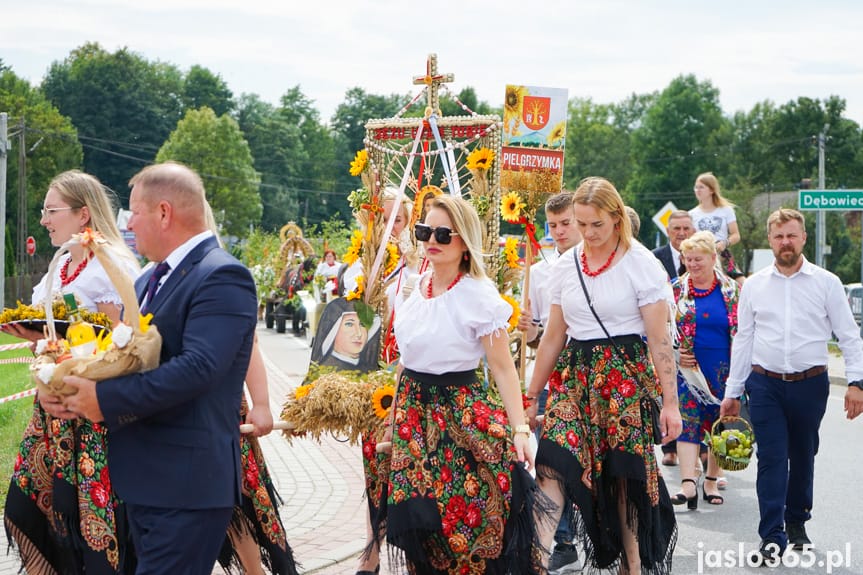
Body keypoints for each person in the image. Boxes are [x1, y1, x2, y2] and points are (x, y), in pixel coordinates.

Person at [61, 162, 259, 575]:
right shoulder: (150, 278)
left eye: (135, 211)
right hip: (149, 479)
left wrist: (104, 399)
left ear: (164, 213)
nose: (128, 223)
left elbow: (199, 367)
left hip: (187, 485)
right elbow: (128, 357)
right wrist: (71, 384)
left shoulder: (222, 275)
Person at [378, 195, 545, 574]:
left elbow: (502, 369)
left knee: (464, 521)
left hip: (459, 415)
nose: (431, 240)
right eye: (424, 231)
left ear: (465, 242)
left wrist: (520, 429)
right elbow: (406, 362)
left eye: (442, 233)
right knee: (419, 521)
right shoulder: (413, 289)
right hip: (412, 418)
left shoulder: (478, 296)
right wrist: (392, 417)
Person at [525, 177, 681, 575]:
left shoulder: (641, 263)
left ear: (615, 218)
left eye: (596, 224)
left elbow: (660, 342)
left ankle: (632, 565)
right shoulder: (565, 265)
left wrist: (670, 403)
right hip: (574, 378)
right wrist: (531, 394)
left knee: (623, 479)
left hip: (623, 379)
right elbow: (554, 337)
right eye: (581, 224)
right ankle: (535, 561)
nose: (588, 234)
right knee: (553, 465)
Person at [2, 170, 141, 575]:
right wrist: (39, 341)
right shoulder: (58, 270)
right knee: (23, 512)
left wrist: (64, 353)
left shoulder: (111, 269)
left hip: (91, 417)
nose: (43, 219)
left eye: (51, 210)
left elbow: (120, 346)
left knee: (91, 531)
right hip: (50, 412)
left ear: (83, 215)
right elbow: (54, 338)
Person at [720, 208, 863, 564]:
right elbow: (744, 338)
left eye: (792, 235)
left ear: (803, 237)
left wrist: (856, 383)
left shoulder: (826, 283)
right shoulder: (753, 285)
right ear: (770, 240)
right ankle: (771, 535)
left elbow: (849, 336)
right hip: (764, 383)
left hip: (810, 384)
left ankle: (797, 520)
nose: (786, 242)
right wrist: (732, 392)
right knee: (771, 458)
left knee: (803, 455)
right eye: (779, 236)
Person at [517, 191, 582, 573]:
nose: (558, 231)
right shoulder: (540, 273)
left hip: (594, 374)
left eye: (565, 223)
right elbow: (540, 340)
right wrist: (529, 329)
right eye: (552, 225)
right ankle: (563, 538)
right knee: (552, 460)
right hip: (554, 377)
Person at [670, 231, 738, 510]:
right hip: (687, 370)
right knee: (687, 421)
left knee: (721, 424)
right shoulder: (675, 289)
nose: (693, 264)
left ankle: (711, 479)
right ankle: (688, 483)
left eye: (699, 259)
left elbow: (744, 331)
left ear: (713, 258)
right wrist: (676, 354)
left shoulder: (732, 290)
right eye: (688, 259)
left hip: (724, 367)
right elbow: (661, 328)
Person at [651, 210, 695, 468]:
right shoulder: (655, 258)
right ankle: (669, 447)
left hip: (693, 333)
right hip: (665, 330)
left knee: (694, 391)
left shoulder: (702, 255)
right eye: (676, 228)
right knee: (667, 387)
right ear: (668, 231)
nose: (681, 233)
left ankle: (699, 448)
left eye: (686, 228)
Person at [689, 172, 742, 278]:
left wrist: (724, 243)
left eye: (701, 187)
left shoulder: (726, 210)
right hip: (700, 255)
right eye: (696, 187)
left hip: (721, 254)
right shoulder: (691, 214)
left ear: (711, 190)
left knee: (741, 283)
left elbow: (736, 235)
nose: (697, 190)